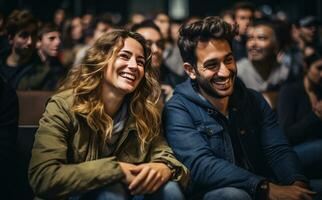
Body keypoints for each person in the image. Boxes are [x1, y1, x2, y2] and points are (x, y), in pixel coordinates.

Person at [163, 16, 315, 200]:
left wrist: (296, 184)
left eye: (228, 60)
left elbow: (278, 149)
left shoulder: (252, 99)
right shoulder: (178, 109)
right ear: (190, 70)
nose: (225, 72)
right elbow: (202, 165)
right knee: (234, 196)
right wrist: (264, 187)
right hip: (216, 191)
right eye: (212, 65)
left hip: (262, 184)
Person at [28, 30, 188, 200]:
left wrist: (164, 168)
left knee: (169, 189)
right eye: (125, 56)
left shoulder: (144, 112)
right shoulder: (64, 105)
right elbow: (43, 176)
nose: (134, 66)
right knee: (111, 192)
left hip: (127, 194)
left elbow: (165, 155)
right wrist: (115, 170)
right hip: (73, 196)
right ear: (102, 59)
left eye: (140, 62)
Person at [277, 52, 322, 181]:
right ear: (306, 67)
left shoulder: (320, 91)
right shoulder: (290, 91)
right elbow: (286, 135)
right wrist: (316, 116)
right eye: (319, 68)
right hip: (292, 152)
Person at [132, 20, 185, 102]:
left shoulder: (178, 84)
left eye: (159, 44)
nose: (156, 50)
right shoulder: (125, 82)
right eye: (148, 44)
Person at [0, 10, 50, 90]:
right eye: (24, 35)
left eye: (33, 35)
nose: (30, 42)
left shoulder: (42, 73)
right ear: (11, 38)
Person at [237, 19, 291, 92]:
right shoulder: (238, 72)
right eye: (250, 38)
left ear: (276, 46)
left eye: (261, 38)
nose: (253, 44)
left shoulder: (284, 73)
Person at [37, 22, 67, 90]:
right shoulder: (30, 68)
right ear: (38, 42)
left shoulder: (60, 67)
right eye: (52, 38)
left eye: (59, 38)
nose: (58, 42)